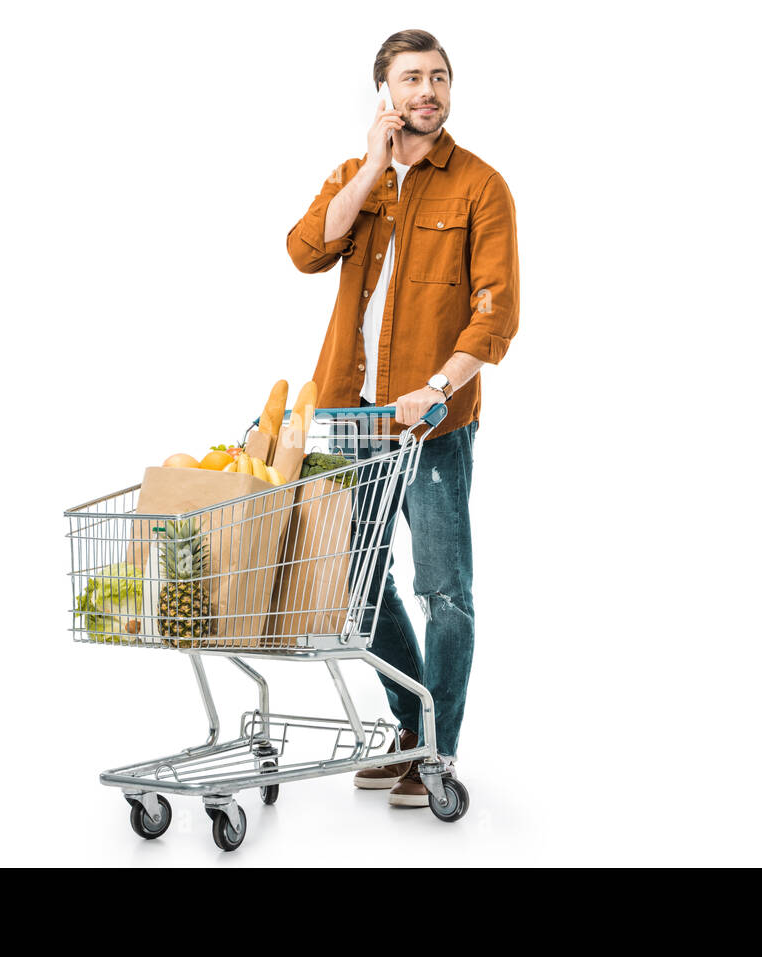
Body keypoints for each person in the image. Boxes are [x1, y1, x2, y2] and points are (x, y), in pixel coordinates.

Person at [285, 30, 519, 807]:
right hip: (350, 420)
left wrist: (439, 387)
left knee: (444, 591)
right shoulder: (361, 178)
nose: (429, 91)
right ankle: (411, 729)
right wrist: (372, 169)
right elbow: (306, 249)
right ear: (384, 93)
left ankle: (438, 753)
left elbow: (496, 314)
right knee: (357, 583)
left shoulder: (481, 188)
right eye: (412, 78)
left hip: (433, 428)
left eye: (440, 78)